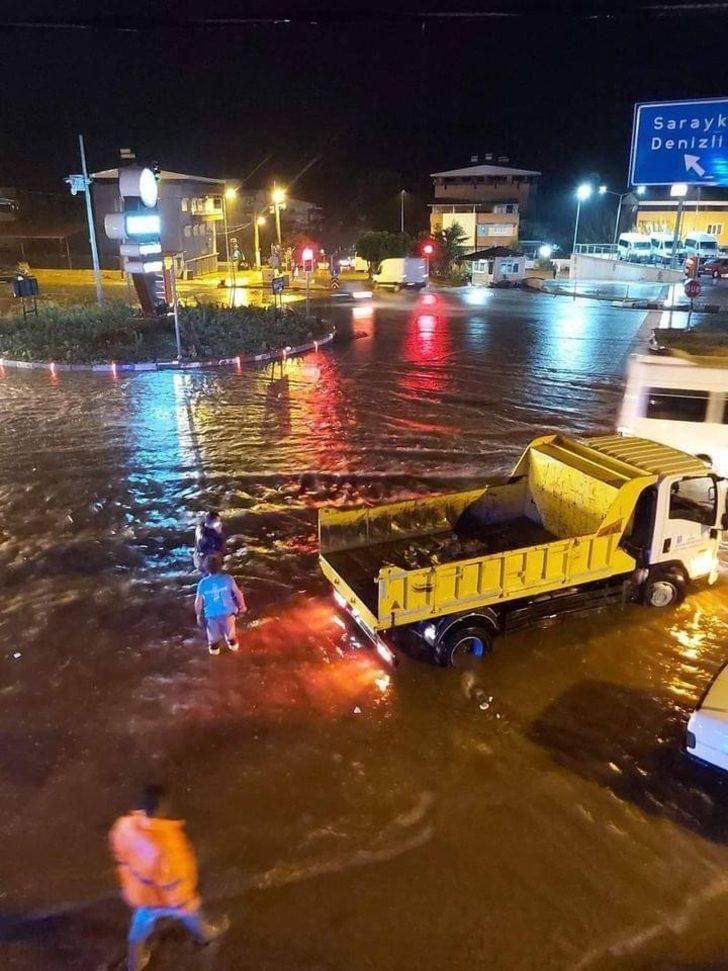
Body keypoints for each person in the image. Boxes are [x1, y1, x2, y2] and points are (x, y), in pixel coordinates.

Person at [109, 784, 228, 971]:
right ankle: (206, 935)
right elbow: (173, 880)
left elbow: (120, 855)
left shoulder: (125, 827)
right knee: (189, 912)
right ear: (162, 807)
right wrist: (185, 899)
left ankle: (135, 963)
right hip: (167, 898)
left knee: (140, 927)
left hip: (142, 895)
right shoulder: (166, 842)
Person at [195, 554, 247, 655]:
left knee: (213, 641)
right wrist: (242, 606)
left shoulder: (203, 583)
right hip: (228, 613)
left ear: (206, 568)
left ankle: (215, 653)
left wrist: (198, 615)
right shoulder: (228, 578)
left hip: (211, 616)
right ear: (220, 566)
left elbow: (198, 602)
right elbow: (238, 593)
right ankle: (234, 649)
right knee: (231, 636)